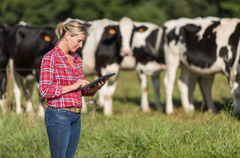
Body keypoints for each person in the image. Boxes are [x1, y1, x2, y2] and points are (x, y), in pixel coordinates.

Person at [39, 20, 106, 158]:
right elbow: (44, 90)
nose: (80, 46)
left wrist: (94, 88)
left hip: (76, 116)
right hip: (59, 115)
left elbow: (81, 90)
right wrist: (73, 86)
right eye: (79, 41)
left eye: (82, 42)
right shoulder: (50, 58)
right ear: (68, 35)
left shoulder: (76, 58)